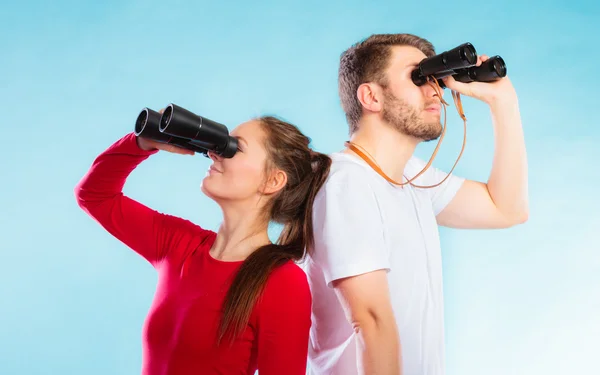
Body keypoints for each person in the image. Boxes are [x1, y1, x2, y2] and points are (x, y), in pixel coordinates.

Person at [303, 33, 529, 375]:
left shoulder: (411, 177)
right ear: (371, 97)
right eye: (418, 77)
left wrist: (504, 103)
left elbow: (506, 208)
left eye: (436, 78)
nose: (435, 90)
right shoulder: (345, 182)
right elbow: (372, 322)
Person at [74, 113, 331, 375]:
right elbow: (94, 195)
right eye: (222, 144)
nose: (213, 154)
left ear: (273, 181)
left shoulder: (282, 282)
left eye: (234, 148)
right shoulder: (179, 245)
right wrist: (141, 143)